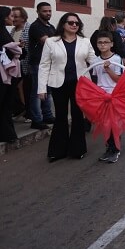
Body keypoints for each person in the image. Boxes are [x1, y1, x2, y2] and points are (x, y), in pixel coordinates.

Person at [39, 13, 97, 161]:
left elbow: (94, 62)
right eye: (71, 22)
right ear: (63, 24)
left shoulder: (85, 41)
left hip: (80, 84)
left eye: (77, 23)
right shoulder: (51, 42)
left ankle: (77, 150)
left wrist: (108, 63)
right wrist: (41, 88)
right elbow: (44, 65)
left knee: (78, 116)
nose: (74, 25)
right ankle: (57, 151)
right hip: (58, 83)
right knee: (60, 116)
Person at [93, 31, 123, 163]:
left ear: (111, 44)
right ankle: (109, 148)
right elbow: (96, 79)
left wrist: (108, 69)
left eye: (106, 42)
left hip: (113, 95)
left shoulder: (116, 59)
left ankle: (115, 149)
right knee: (105, 124)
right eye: (100, 42)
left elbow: (119, 79)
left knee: (113, 123)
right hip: (101, 96)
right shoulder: (96, 60)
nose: (103, 45)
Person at [28, 2, 56, 130]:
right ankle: (36, 120)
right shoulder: (35, 26)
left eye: (49, 11)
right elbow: (48, 42)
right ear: (38, 12)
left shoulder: (50, 26)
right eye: (45, 11)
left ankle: (47, 116)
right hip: (37, 63)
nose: (48, 13)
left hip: (48, 63)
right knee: (37, 92)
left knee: (48, 91)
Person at [0, 6, 20, 143]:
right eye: (11, 16)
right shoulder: (3, 33)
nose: (13, 18)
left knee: (6, 103)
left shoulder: (4, 32)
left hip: (7, 73)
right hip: (3, 74)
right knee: (4, 103)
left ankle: (8, 133)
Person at [11, 6, 31, 122]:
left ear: (23, 18)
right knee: (17, 88)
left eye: (16, 16)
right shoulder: (13, 31)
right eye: (12, 16)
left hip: (25, 64)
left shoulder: (29, 29)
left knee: (24, 88)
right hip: (15, 65)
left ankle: (28, 112)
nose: (13, 19)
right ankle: (21, 109)